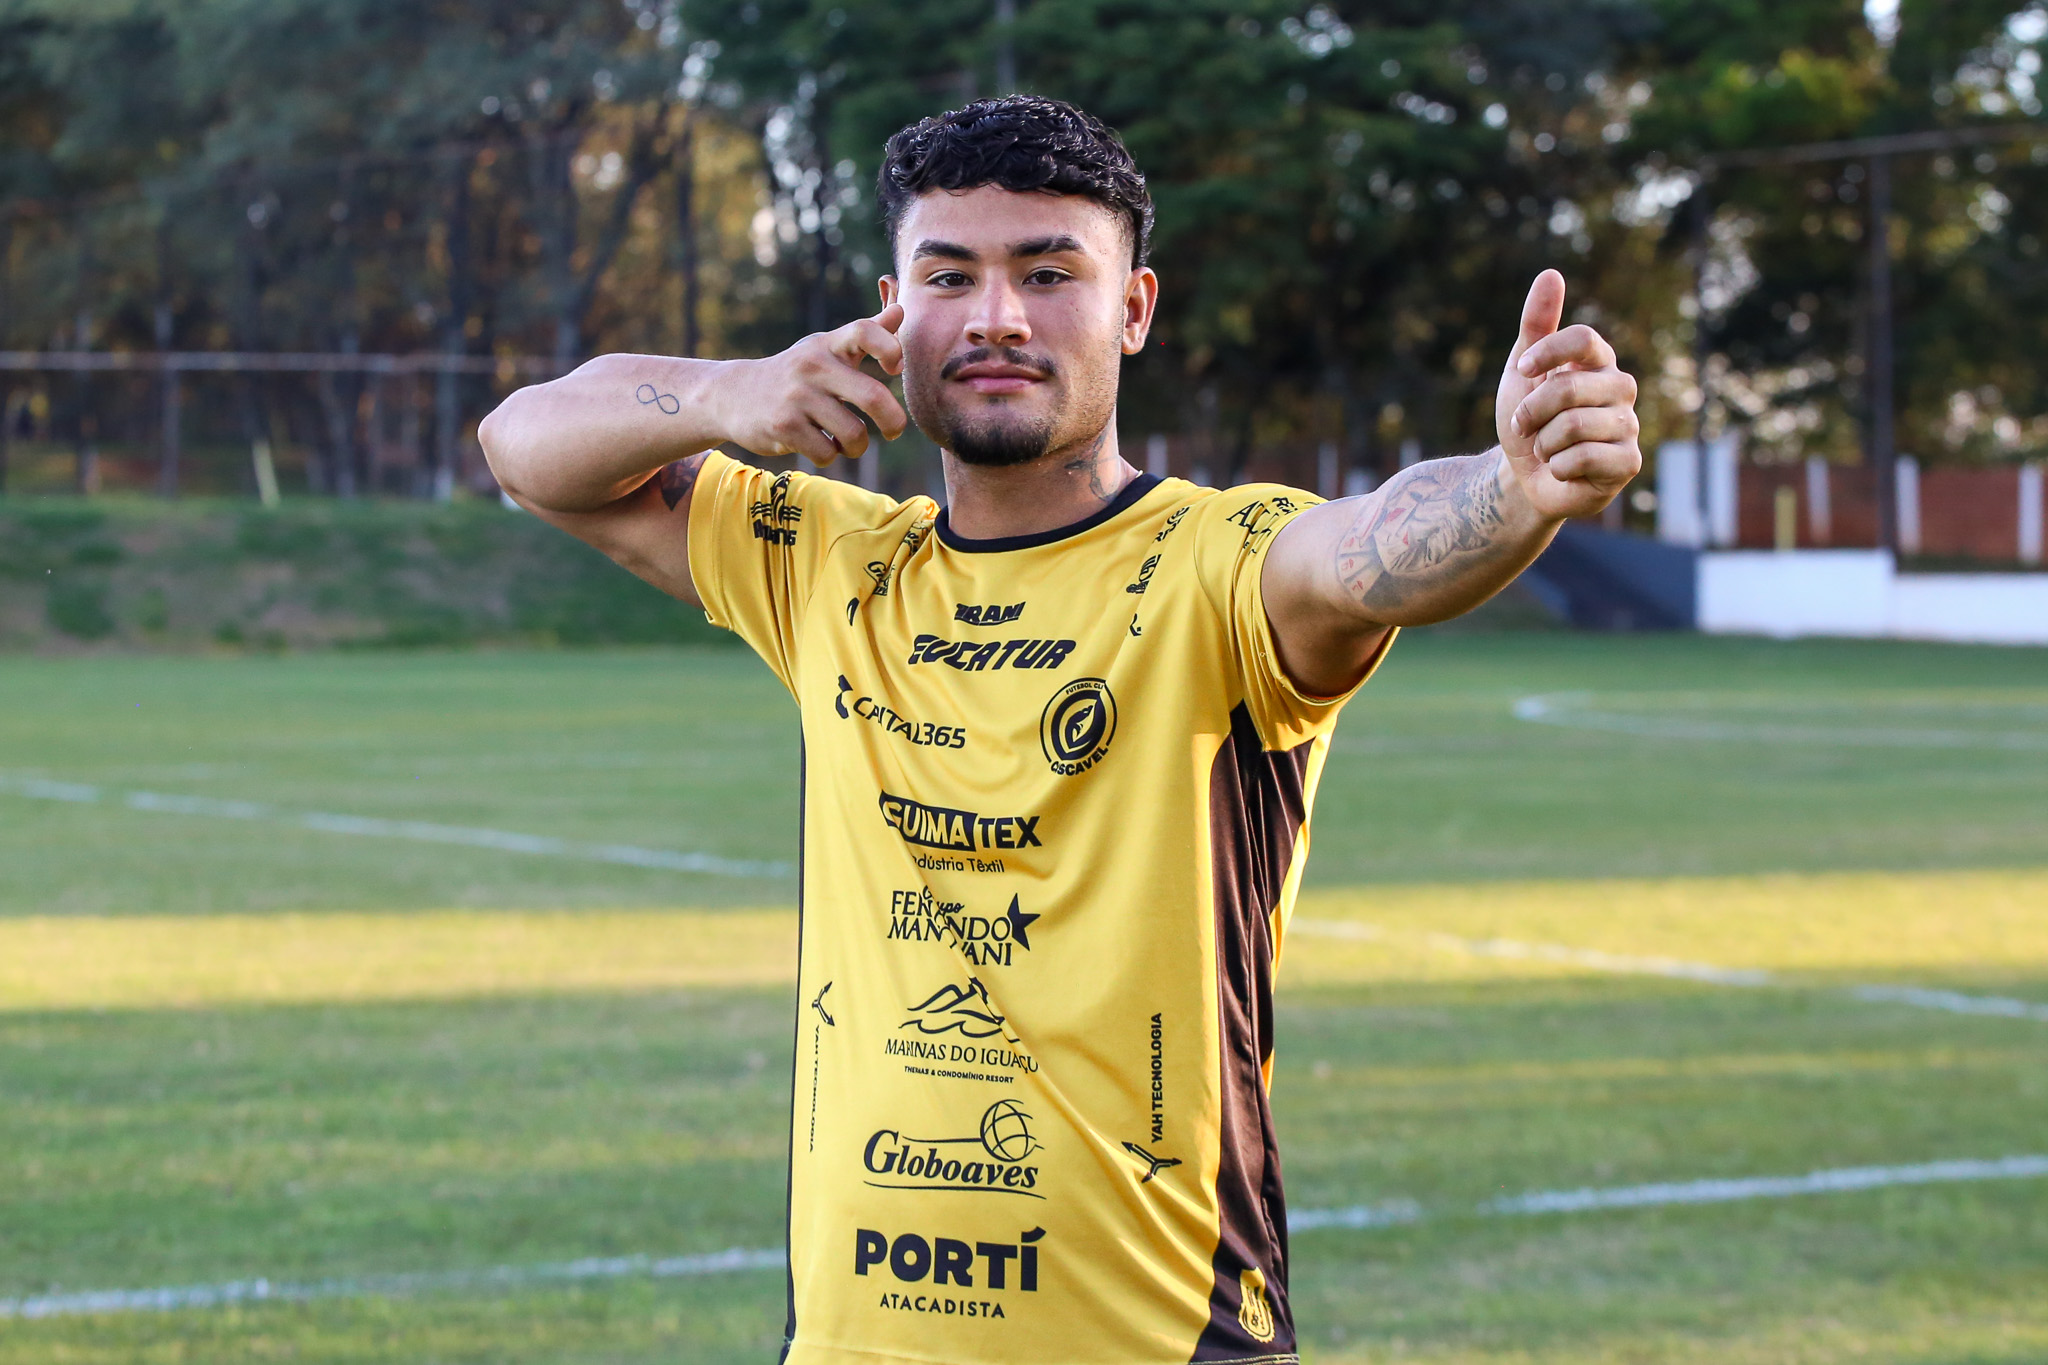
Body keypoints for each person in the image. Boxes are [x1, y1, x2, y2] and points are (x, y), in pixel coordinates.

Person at [479, 94, 1639, 1365]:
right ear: (891, 311)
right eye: (949, 277)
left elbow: (1370, 549)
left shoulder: (1214, 563)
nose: (995, 317)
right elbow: (524, 444)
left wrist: (1511, 488)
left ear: (1132, 309)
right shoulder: (827, 564)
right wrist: (728, 393)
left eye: (1046, 273)